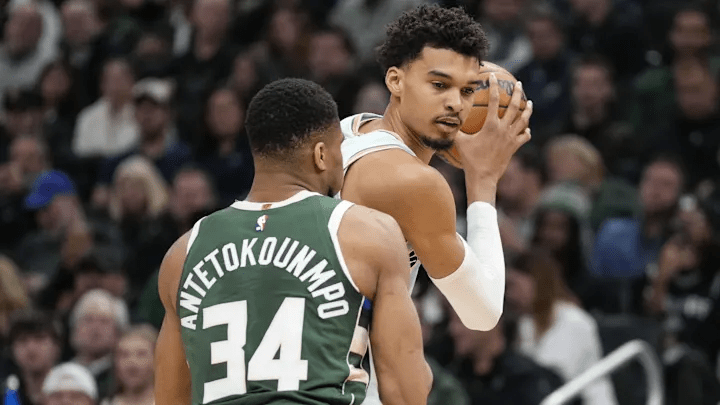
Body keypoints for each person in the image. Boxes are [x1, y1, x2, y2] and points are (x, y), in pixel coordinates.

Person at [154, 78, 431, 405]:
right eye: (340, 147)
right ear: (321, 155)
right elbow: (406, 390)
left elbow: (170, 399)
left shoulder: (183, 253)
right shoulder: (368, 232)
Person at [338, 4, 532, 403]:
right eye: (439, 85)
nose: (456, 105)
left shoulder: (351, 129)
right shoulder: (412, 182)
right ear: (395, 80)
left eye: (467, 91)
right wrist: (483, 180)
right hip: (342, 386)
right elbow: (482, 312)